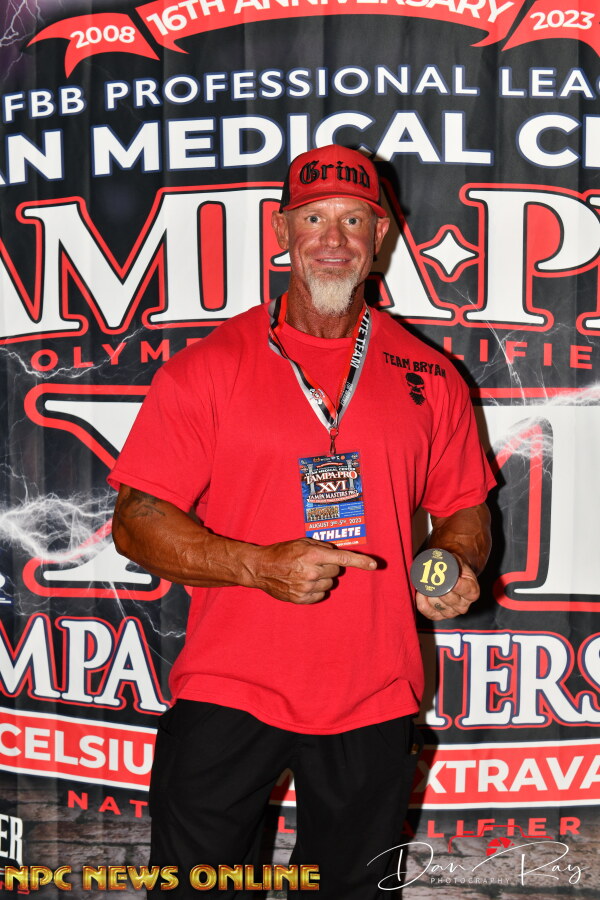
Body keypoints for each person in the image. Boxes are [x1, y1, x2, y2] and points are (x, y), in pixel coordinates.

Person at [109, 144, 494, 897]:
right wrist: (258, 566)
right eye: (314, 218)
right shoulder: (208, 365)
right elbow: (137, 521)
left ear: (381, 235)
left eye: (354, 219)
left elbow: (465, 508)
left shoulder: (432, 375)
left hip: (375, 690)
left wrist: (451, 562)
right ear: (282, 231)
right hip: (229, 687)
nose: (334, 239)